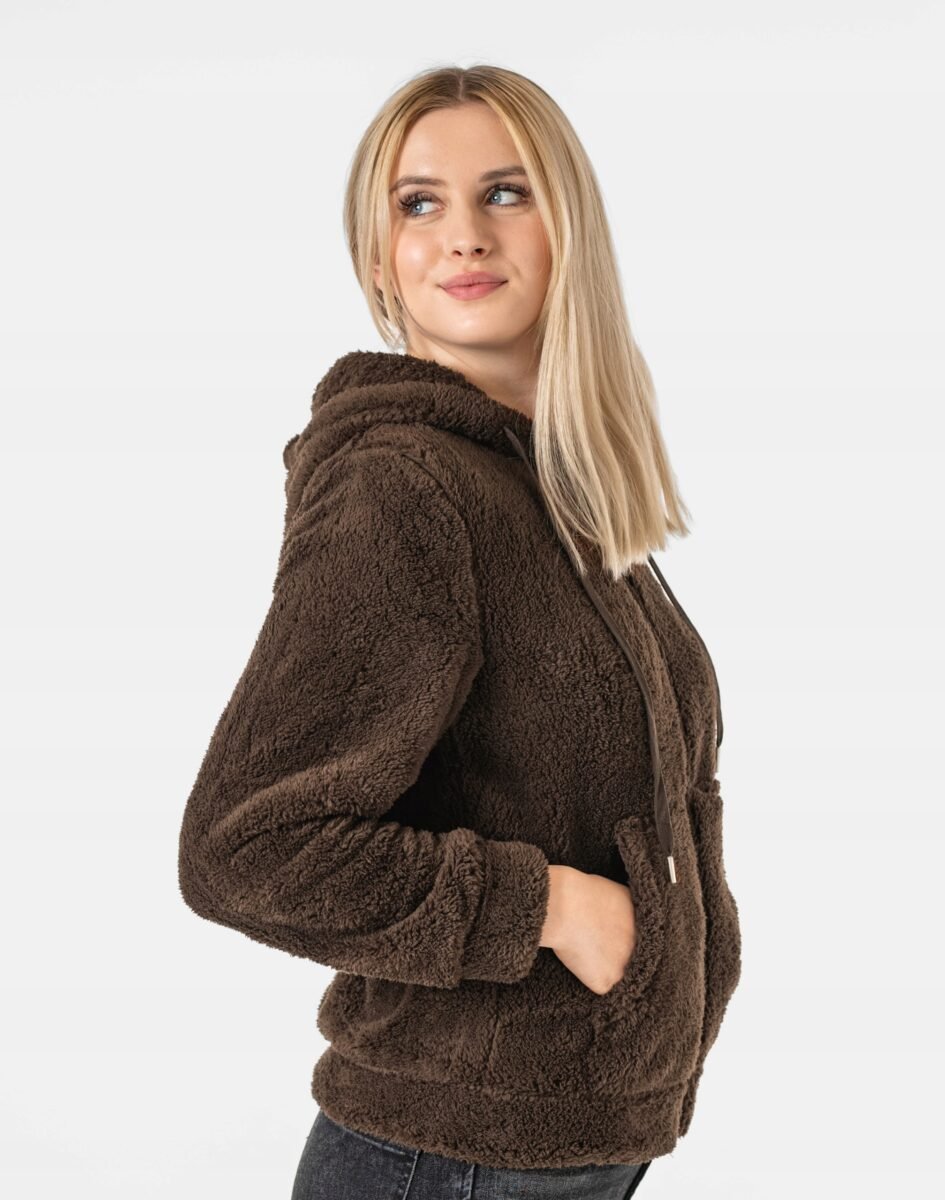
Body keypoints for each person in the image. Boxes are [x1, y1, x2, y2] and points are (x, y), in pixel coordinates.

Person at [177, 63, 742, 1198]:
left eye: (506, 192)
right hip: (448, 1159)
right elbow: (245, 847)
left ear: (568, 223)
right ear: (379, 254)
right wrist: (549, 908)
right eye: (419, 203)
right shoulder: (405, 490)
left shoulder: (555, 494)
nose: (464, 234)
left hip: (568, 1143)